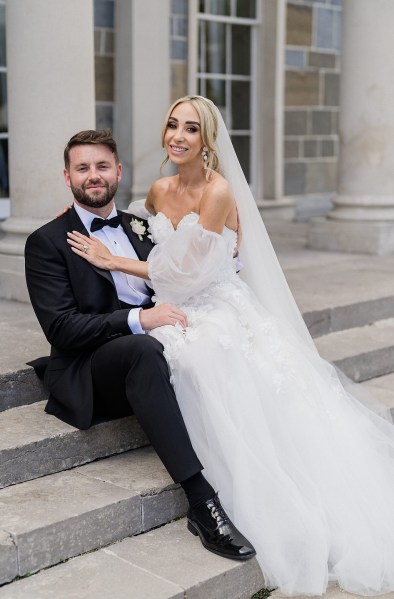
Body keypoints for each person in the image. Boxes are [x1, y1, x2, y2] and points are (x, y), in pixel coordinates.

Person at [67, 95, 394, 597]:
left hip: (214, 300)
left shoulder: (218, 192)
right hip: (178, 299)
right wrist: (91, 221)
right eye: (172, 124)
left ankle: (230, 495)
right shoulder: (158, 188)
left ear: (208, 140)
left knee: (203, 354)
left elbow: (192, 273)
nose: (177, 135)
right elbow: (143, 226)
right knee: (170, 345)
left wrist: (115, 263)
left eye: (191, 129)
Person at [24, 128, 257, 563]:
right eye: (82, 168)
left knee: (222, 340)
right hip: (92, 364)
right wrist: (140, 319)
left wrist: (233, 239)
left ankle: (252, 471)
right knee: (145, 349)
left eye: (101, 166)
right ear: (67, 176)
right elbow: (62, 329)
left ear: (118, 171)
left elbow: (187, 265)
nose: (93, 176)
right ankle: (203, 502)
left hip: (152, 348)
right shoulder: (46, 242)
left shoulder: (140, 224)